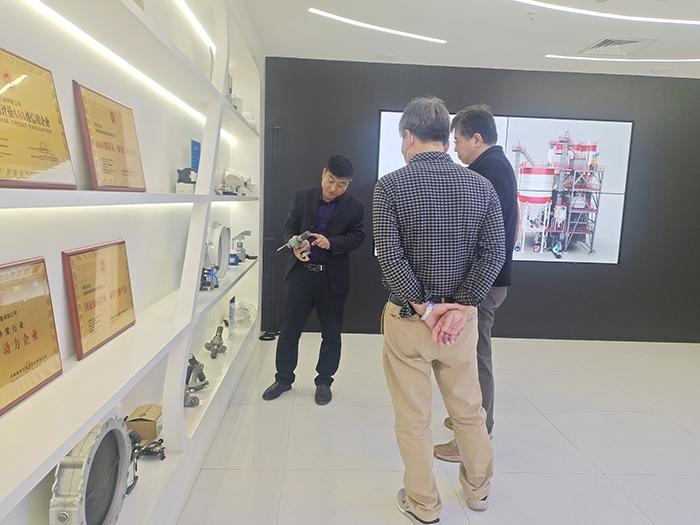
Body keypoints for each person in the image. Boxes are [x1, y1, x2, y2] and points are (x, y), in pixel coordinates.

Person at [374, 96, 505, 523]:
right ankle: (479, 490)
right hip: (459, 325)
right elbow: (494, 254)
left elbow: (389, 256)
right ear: (447, 139)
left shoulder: (390, 186)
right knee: (468, 411)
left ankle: (424, 504)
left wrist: (427, 309)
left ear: (408, 136)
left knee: (414, 418)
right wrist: (460, 307)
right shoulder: (481, 186)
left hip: (409, 320)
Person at [434, 105, 518, 462]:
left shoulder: (488, 171)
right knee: (471, 353)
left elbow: (483, 239)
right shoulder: (496, 165)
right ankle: (469, 422)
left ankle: (475, 434)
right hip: (489, 280)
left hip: (483, 283)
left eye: (457, 141)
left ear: (477, 139)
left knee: (471, 358)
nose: (455, 149)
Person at [262, 155, 365, 405]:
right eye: (331, 180)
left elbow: (357, 237)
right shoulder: (302, 197)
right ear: (323, 173)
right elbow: (289, 226)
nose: (334, 188)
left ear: (349, 183)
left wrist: (332, 242)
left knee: (331, 333)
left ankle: (324, 381)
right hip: (301, 274)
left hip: (332, 278)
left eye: (341, 184)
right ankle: (283, 379)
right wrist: (295, 246)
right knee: (289, 331)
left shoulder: (355, 207)